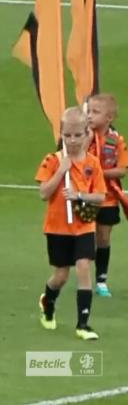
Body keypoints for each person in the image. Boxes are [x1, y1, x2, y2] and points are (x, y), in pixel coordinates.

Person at [36, 107, 106, 340]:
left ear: (86, 133)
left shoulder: (93, 164)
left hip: (84, 227)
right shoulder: (53, 160)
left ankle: (83, 324)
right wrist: (60, 173)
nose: (73, 140)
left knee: (84, 267)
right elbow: (44, 193)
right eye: (68, 135)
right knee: (61, 276)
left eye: (78, 135)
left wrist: (79, 195)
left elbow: (100, 196)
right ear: (61, 135)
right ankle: (48, 302)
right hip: (57, 228)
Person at [86, 93, 128, 297]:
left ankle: (101, 280)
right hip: (85, 197)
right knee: (85, 237)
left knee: (103, 238)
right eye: (89, 111)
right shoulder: (84, 136)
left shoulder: (116, 140)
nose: (90, 116)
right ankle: (83, 275)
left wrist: (97, 173)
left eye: (95, 112)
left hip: (108, 199)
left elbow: (121, 170)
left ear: (109, 118)